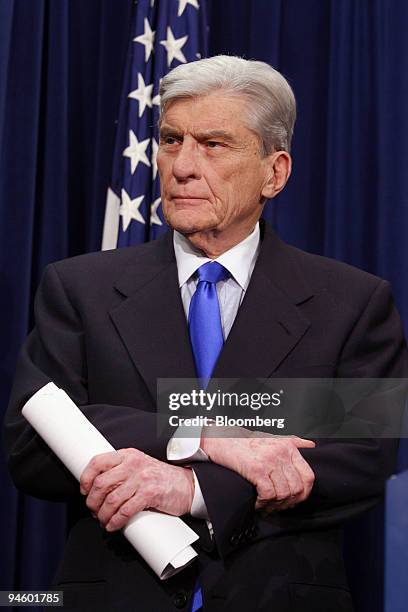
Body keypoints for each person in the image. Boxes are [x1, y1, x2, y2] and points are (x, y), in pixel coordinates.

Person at [4, 55, 407, 612]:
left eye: (213, 145)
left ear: (275, 172)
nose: (181, 166)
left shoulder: (351, 302)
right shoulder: (80, 288)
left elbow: (359, 460)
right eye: (171, 140)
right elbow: (34, 444)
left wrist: (192, 491)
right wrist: (204, 435)